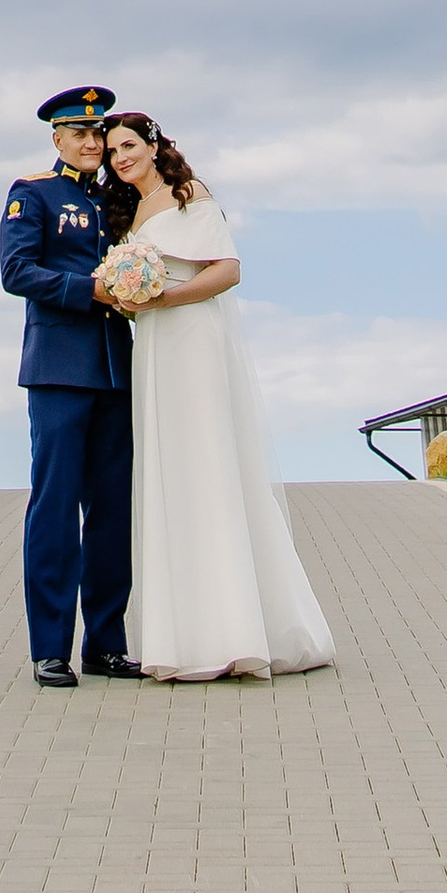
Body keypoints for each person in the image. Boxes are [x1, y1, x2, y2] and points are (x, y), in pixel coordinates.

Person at [102, 111, 335, 681]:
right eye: (112, 152)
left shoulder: (189, 196)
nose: (121, 158)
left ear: (154, 146)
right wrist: (125, 296)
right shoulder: (129, 212)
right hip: (154, 348)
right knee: (172, 476)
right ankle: (188, 638)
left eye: (129, 145)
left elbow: (227, 270)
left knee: (209, 467)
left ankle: (239, 630)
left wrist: (162, 300)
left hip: (193, 342)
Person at [0, 83, 137, 688]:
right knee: (55, 508)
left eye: (98, 132)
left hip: (117, 372)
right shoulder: (33, 193)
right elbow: (17, 271)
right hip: (59, 368)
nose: (91, 141)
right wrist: (91, 292)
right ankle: (50, 647)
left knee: (111, 513)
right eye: (79, 132)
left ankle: (106, 643)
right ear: (56, 137)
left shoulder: (118, 200)